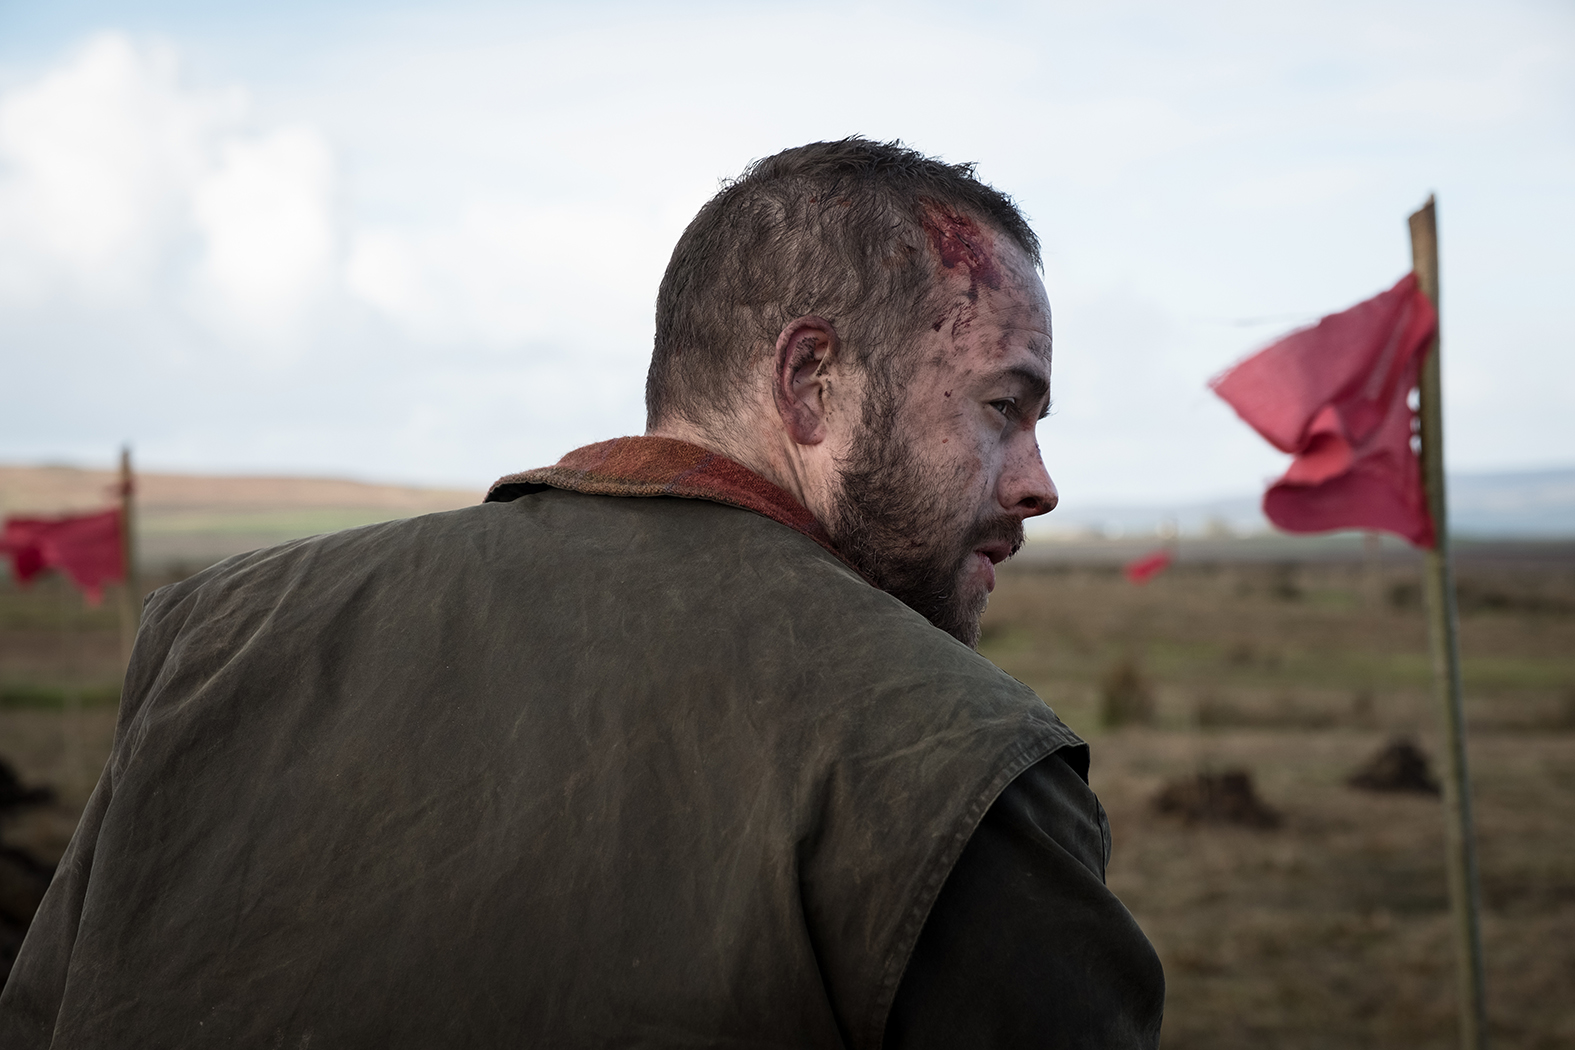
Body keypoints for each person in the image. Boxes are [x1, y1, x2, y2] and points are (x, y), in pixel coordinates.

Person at [0, 138, 1163, 1048]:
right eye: (1003, 407)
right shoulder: (961, 766)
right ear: (813, 383)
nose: (1040, 483)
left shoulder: (218, 636)